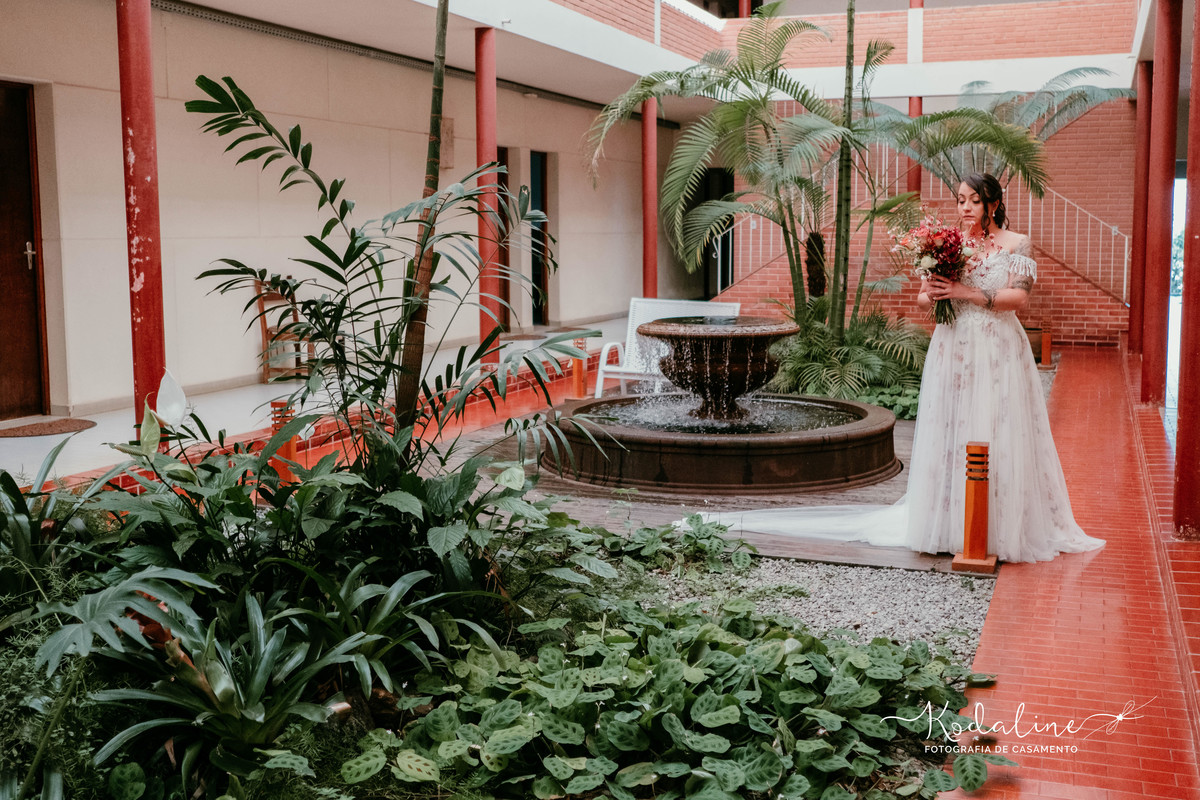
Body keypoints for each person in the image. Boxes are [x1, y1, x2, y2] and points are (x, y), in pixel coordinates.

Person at [702, 173, 1104, 563]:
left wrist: (963, 291)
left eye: (974, 201)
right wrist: (934, 291)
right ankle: (946, 524)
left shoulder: (1017, 244)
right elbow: (922, 301)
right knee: (953, 427)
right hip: (955, 345)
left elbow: (1018, 299)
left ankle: (998, 528)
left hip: (999, 348)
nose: (964, 207)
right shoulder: (950, 242)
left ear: (994, 204)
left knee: (996, 428)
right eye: (960, 200)